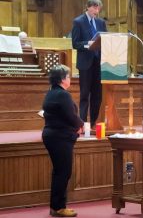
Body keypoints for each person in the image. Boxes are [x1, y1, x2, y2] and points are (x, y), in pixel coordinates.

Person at [42, 65, 84, 217]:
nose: (70, 79)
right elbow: (70, 116)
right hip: (60, 137)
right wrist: (81, 126)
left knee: (59, 172)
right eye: (68, 76)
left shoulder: (51, 93)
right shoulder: (63, 95)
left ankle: (56, 206)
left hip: (51, 135)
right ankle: (59, 208)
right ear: (62, 79)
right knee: (64, 172)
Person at [71, 0, 107, 129]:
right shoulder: (78, 21)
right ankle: (82, 124)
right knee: (85, 95)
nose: (96, 11)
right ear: (88, 7)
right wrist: (88, 44)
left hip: (99, 63)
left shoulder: (101, 22)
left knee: (97, 96)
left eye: (98, 9)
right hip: (86, 64)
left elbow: (106, 40)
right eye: (94, 8)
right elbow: (75, 44)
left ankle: (92, 124)